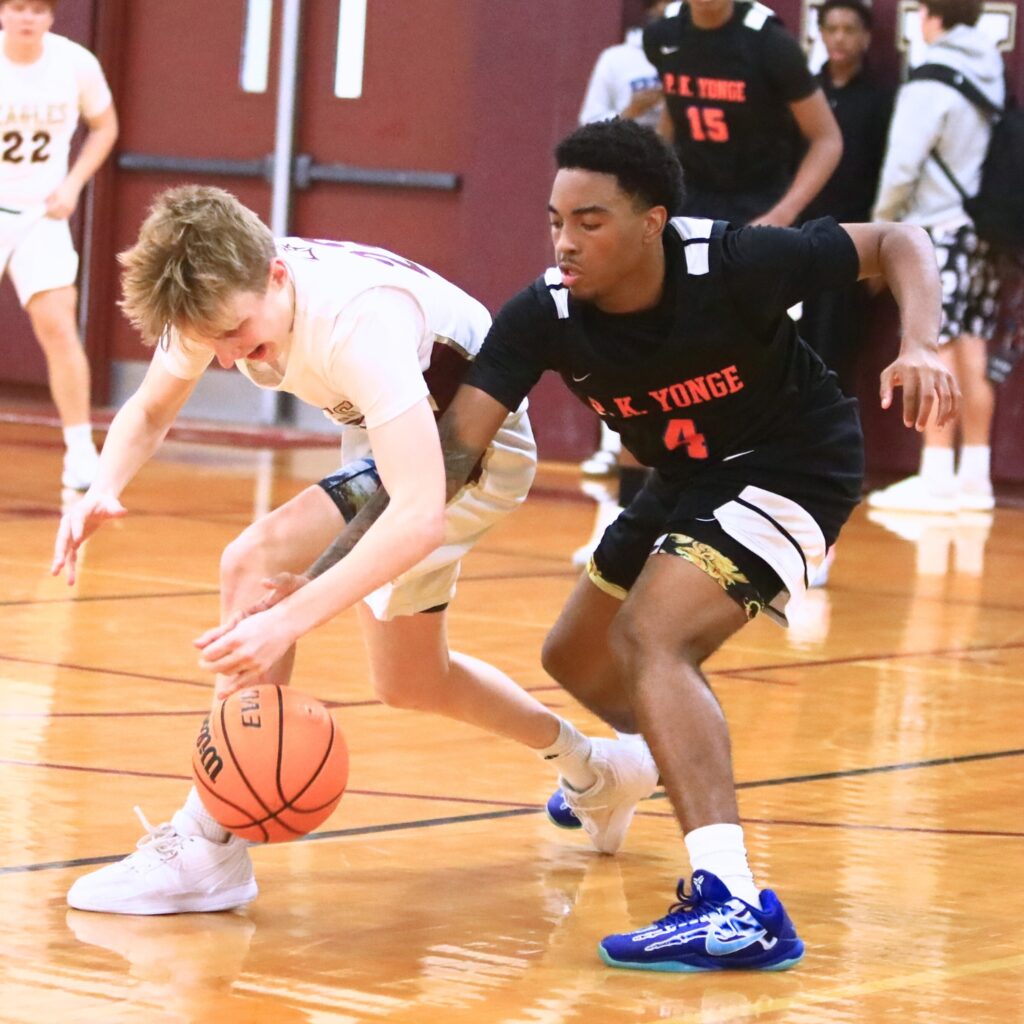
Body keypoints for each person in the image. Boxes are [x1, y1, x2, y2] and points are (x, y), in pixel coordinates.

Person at [424, 119, 955, 970]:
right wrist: (358, 507)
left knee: (650, 638)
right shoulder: (544, 313)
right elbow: (457, 445)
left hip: (794, 461)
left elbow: (900, 239)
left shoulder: (739, 262)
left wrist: (921, 342)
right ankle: (654, 760)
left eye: (589, 221)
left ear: (652, 223)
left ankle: (735, 903)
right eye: (556, 219)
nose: (566, 241)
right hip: (685, 473)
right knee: (577, 657)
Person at [51, 185, 657, 915]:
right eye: (211, 343)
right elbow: (149, 407)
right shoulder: (216, 294)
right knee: (411, 680)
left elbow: (418, 513)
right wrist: (99, 487)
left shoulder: (358, 319)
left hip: (472, 447)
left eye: (235, 336)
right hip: (390, 442)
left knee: (254, 559)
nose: (223, 359)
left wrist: (291, 614)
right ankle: (599, 769)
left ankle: (207, 845)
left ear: (276, 273)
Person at [869, 0, 1004, 513]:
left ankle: (935, 475)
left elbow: (902, 167)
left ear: (932, 17)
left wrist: (880, 231)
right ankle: (974, 478)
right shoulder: (988, 71)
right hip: (977, 232)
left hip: (934, 232)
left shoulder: (930, 80)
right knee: (972, 350)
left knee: (935, 348)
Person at [0, 0, 117, 490]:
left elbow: (105, 126)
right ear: (3, 12)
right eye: (18, 7)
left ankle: (79, 449)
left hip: (40, 213)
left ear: (51, 16)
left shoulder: (75, 62)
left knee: (58, 326)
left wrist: (71, 185)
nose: (27, 17)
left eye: (38, 9)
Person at [644, 0, 842, 227]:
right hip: (690, 195)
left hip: (759, 201)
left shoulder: (771, 43)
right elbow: (676, 106)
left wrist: (782, 214)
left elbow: (827, 139)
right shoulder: (661, 35)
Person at [577, 0, 669, 480]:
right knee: (612, 321)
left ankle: (661, 445)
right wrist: (632, 112)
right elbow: (586, 132)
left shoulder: (700, 59)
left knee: (662, 327)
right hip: (617, 207)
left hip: (673, 205)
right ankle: (610, 444)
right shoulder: (618, 60)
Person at [799, 0, 893, 391]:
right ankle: (791, 447)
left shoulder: (882, 98)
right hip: (800, 239)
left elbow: (887, 171)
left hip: (853, 239)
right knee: (795, 351)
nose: (839, 38)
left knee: (838, 352)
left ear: (866, 37)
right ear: (819, 34)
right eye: (832, 28)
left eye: (849, 29)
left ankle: (831, 447)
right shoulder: (805, 94)